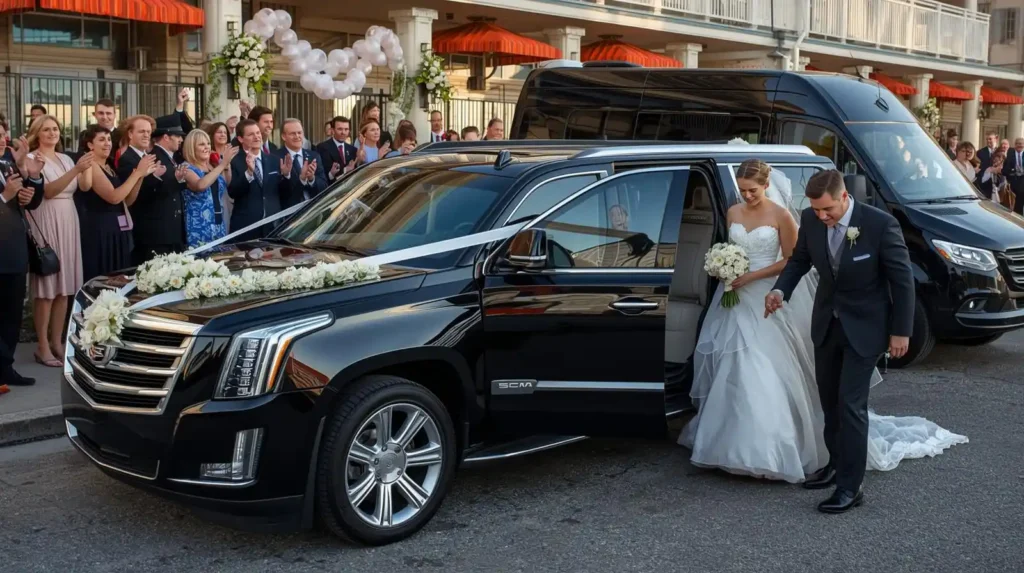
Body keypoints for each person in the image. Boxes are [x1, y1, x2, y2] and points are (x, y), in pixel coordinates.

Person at [762, 168, 964, 513]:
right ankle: (835, 464)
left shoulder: (880, 224)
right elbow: (799, 260)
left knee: (850, 405)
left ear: (844, 197)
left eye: (827, 209)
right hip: (827, 324)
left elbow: (902, 281)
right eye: (816, 210)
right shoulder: (810, 219)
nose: (821, 216)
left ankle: (850, 487)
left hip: (866, 328)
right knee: (829, 402)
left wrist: (901, 331)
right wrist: (780, 290)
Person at [25, 115, 87, 368]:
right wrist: (77, 170)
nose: (52, 133)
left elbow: (82, 187)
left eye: (55, 129)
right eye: (46, 129)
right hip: (47, 220)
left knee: (65, 288)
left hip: (69, 219)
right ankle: (42, 345)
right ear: (37, 134)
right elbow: (48, 191)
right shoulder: (32, 158)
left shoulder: (65, 158)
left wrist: (87, 166)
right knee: (47, 288)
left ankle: (57, 342)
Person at [76, 125, 157, 281]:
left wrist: (140, 176)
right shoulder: (91, 165)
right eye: (101, 140)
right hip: (99, 230)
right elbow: (113, 197)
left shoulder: (110, 166)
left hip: (117, 229)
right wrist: (137, 173)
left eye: (108, 139)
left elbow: (127, 200)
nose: (107, 143)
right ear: (90, 145)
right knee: (103, 276)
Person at [0, 155, 45, 388]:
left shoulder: (7, 165)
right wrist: (4, 197)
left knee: (12, 316)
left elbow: (32, 203)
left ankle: (5, 368)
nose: (1, 141)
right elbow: (6, 198)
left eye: (1, 137)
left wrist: (34, 177)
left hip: (14, 251)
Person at [119, 114, 188, 264]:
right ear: (130, 134)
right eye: (141, 131)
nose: (146, 135)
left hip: (165, 230)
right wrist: (155, 177)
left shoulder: (147, 156)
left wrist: (177, 179)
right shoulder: (128, 159)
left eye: (148, 132)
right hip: (150, 232)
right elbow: (134, 197)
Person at [227, 118, 283, 241]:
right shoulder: (234, 161)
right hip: (246, 227)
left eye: (258, 133)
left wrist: (286, 175)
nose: (257, 137)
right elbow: (233, 192)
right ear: (241, 139)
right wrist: (249, 173)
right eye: (251, 134)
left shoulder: (274, 160)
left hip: (272, 227)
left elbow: (281, 192)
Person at [182, 129, 236, 248]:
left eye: (208, 143)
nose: (207, 147)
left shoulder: (212, 166)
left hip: (218, 222)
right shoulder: (186, 168)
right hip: (199, 224)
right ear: (191, 148)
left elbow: (226, 182)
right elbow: (200, 185)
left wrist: (227, 165)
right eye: (201, 144)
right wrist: (222, 164)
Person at [277, 118, 327, 208]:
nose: (297, 136)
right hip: (289, 212)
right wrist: (286, 175)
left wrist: (312, 178)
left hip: (313, 210)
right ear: (283, 136)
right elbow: (277, 193)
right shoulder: (276, 157)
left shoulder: (314, 156)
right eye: (293, 133)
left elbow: (324, 187)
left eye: (299, 133)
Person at [316, 116, 357, 182]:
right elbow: (323, 175)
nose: (343, 132)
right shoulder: (322, 148)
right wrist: (344, 170)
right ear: (332, 130)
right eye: (340, 129)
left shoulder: (353, 149)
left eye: (346, 129)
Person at [1002, 137, 1024, 215]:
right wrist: (1014, 171)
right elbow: (1004, 171)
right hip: (1014, 183)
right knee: (1017, 203)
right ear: (1014, 145)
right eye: (1017, 144)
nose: (1019, 145)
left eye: (1021, 144)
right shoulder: (1010, 154)